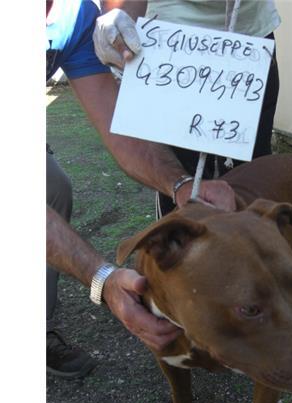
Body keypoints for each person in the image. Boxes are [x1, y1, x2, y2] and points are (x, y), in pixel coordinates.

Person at [46, 0, 236, 378]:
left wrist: (179, 184)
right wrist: (101, 278)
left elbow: (119, 128)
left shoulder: (72, 13)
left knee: (54, 188)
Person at [93, 0, 281, 217]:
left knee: (253, 171)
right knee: (182, 178)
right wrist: (119, 21)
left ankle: (251, 234)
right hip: (174, 43)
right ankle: (180, 236)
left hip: (249, 38)